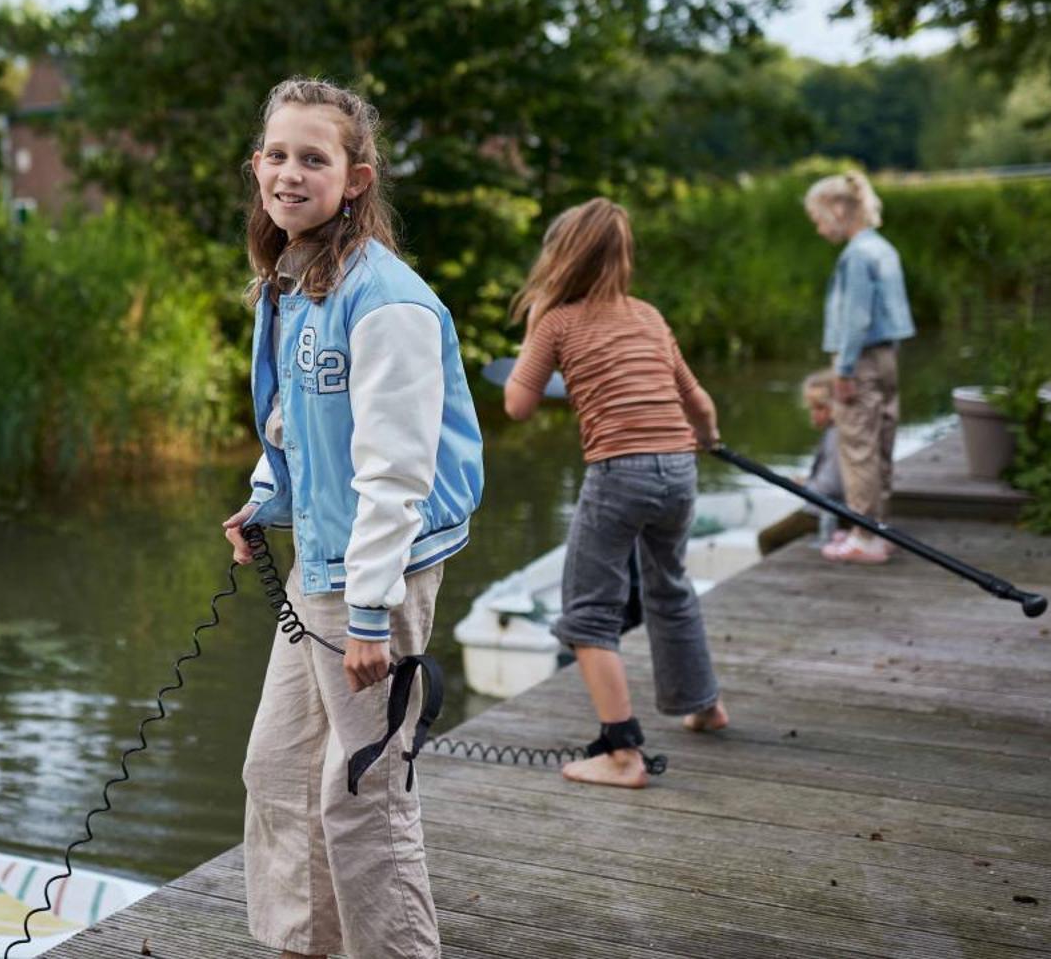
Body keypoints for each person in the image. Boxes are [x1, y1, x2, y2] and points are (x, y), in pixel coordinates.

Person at [221, 78, 483, 959]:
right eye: (278, 155)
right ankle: (305, 945)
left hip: (378, 570)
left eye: (314, 158)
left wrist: (372, 611)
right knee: (279, 767)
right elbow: (298, 419)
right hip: (322, 560)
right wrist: (266, 497)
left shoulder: (390, 302)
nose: (290, 174)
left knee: (365, 792)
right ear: (256, 164)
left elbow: (396, 474)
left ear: (356, 177)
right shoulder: (293, 281)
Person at [503, 198, 726, 790]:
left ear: (560, 259)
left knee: (585, 613)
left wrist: (537, 335)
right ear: (623, 258)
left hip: (618, 473)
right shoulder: (648, 316)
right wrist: (707, 440)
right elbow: (699, 404)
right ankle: (704, 704)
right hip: (679, 468)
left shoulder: (556, 322)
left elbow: (517, 405)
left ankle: (622, 751)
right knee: (670, 585)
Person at [804, 171, 914, 566]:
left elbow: (856, 317)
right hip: (888, 356)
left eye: (818, 216)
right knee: (881, 442)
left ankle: (864, 535)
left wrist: (844, 369)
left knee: (857, 448)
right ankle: (878, 529)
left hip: (861, 359)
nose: (817, 227)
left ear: (838, 209)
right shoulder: (883, 248)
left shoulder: (855, 256)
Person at [800, 369, 847, 546]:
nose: (814, 414)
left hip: (833, 512)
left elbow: (832, 486)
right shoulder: (835, 431)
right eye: (811, 408)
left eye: (820, 407)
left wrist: (806, 485)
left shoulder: (837, 436)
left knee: (768, 538)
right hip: (835, 507)